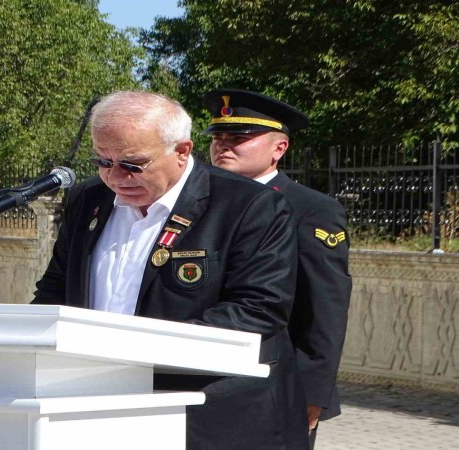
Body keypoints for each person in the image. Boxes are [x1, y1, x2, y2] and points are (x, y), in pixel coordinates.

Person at [33, 90, 309, 449]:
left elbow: (258, 308)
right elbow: (56, 289)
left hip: (213, 414)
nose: (115, 176)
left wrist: (133, 351)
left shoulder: (249, 205)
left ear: (181, 151)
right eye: (103, 161)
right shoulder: (89, 199)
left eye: (133, 164)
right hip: (97, 403)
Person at [204, 88, 352, 448]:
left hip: (275, 385)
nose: (224, 146)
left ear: (279, 148)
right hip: (206, 376)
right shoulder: (201, 203)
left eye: (240, 138)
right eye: (218, 137)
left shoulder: (310, 209)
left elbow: (324, 307)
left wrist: (312, 394)